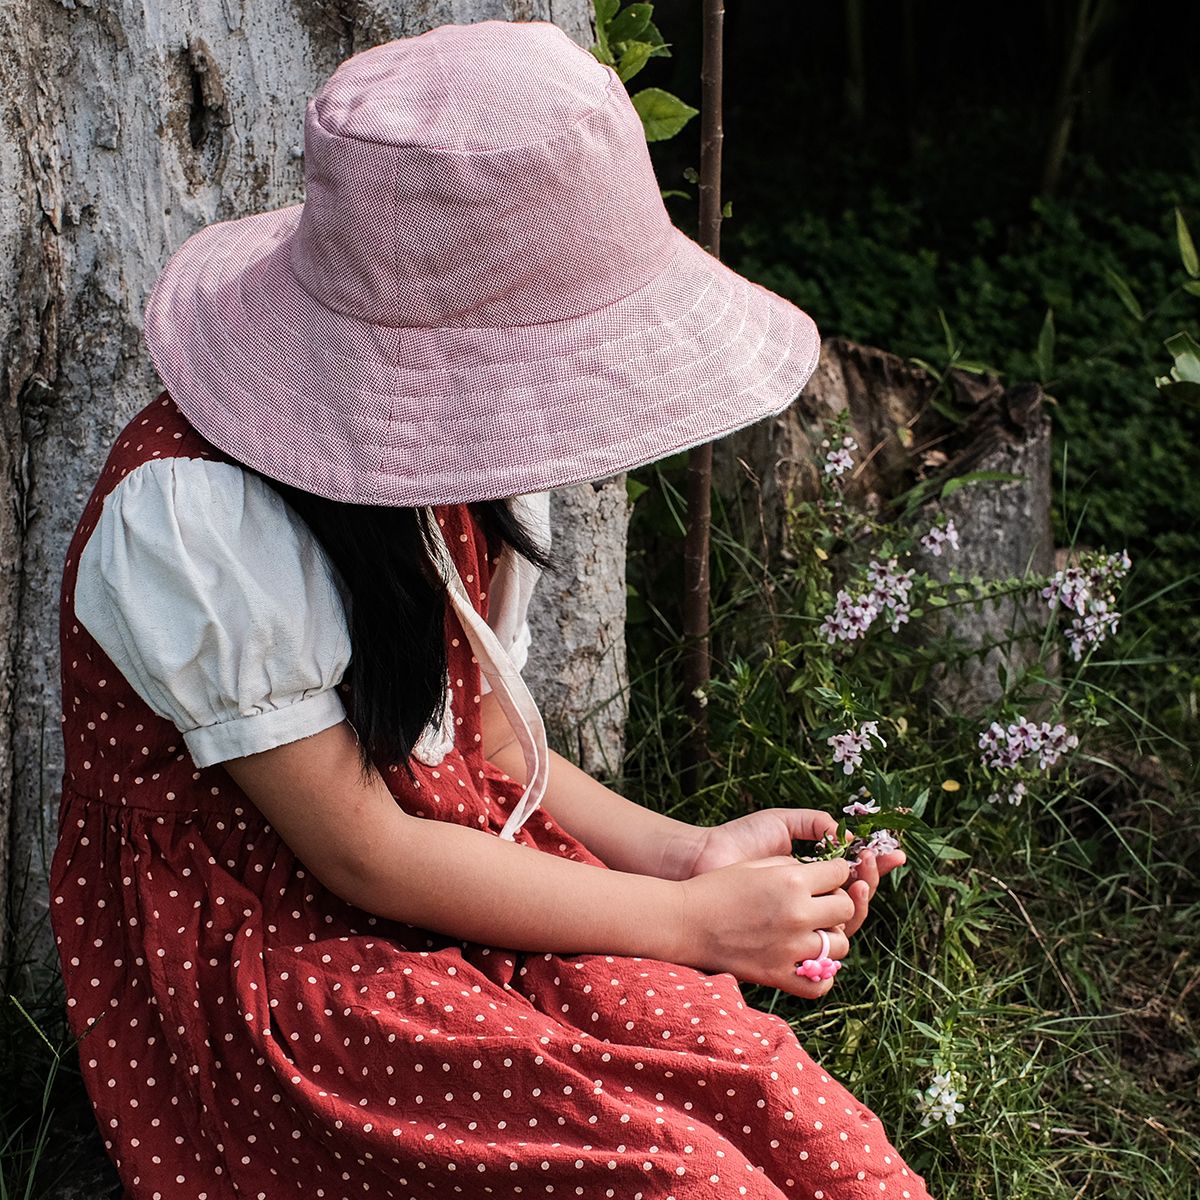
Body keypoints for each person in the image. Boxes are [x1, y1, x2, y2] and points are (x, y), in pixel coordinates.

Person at [50, 19, 930, 1200]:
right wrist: (699, 928)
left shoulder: (479, 463)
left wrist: (684, 865)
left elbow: (489, 750)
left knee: (785, 1107)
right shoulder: (195, 518)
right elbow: (363, 853)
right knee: (679, 1177)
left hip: (481, 880)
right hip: (296, 973)